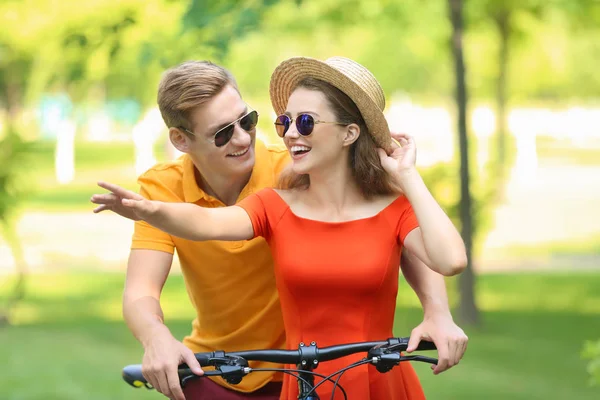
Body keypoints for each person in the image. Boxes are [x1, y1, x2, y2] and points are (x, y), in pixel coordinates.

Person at [92, 59, 468, 400]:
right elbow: (197, 229)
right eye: (222, 133)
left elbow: (415, 246)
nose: (244, 138)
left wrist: (437, 310)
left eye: (249, 120)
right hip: (234, 367)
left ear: (349, 133)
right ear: (181, 140)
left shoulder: (295, 172)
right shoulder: (270, 199)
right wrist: (151, 211)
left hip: (341, 373)